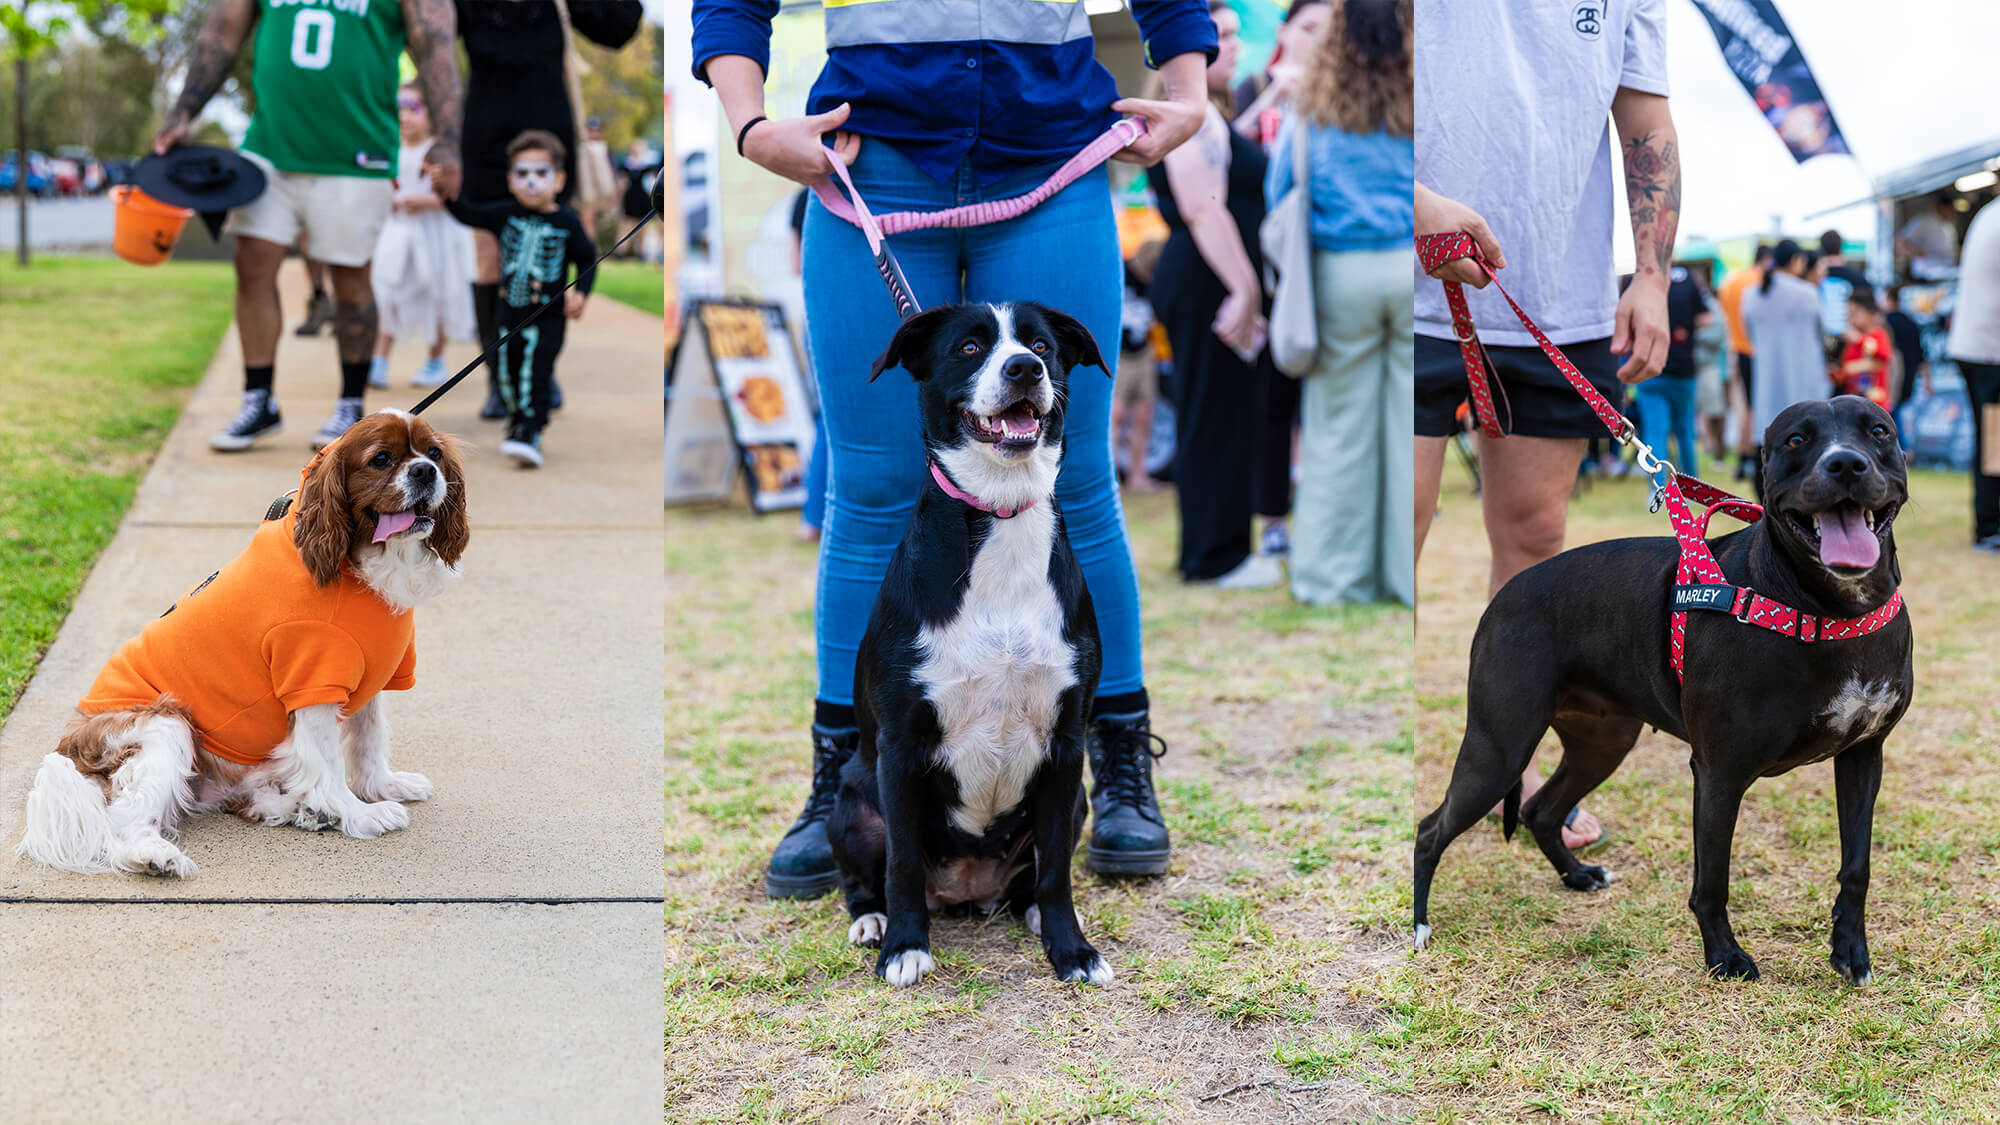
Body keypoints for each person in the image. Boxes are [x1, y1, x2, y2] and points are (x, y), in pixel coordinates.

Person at [692, 0, 1215, 898]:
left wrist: (1191, 91)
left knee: (1076, 481)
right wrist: (749, 124)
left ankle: (1120, 762)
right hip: (870, 161)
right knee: (871, 488)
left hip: (1050, 153)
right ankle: (844, 774)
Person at [1414, 0, 1679, 851]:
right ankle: (1367, 770)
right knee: (1392, 538)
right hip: (1405, 277)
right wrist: (1413, 203)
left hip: (1555, 297)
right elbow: (1345, 83)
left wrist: (1652, 276)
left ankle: (1512, 762)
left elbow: (1645, 121)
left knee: (1535, 541)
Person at [154, 0, 462, 454]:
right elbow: (221, 31)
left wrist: (451, 142)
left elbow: (435, 43)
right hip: (271, 144)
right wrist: (183, 111)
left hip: (357, 153)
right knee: (252, 264)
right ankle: (258, 400)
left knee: (351, 280)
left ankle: (349, 406)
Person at [1266, 0, 1412, 606]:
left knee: (1335, 431)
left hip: (1338, 276)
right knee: (1408, 431)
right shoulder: (1419, 106)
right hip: (1412, 269)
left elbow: (1281, 195)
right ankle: (1403, 578)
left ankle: (1332, 580)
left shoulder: (1311, 109)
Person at [456, 0, 645, 421]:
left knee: (550, 253)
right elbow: (421, 35)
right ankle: (499, 376)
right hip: (486, 144)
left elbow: (620, 26)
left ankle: (539, 366)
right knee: (492, 258)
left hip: (550, 142)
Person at [1151, 1, 1280, 588]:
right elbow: (1205, 211)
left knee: (1225, 413)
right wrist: (1246, 288)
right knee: (1211, 415)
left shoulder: (1211, 116)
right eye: (1217, 37)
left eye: (1233, 36)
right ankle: (1215, 557)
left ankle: (1221, 549)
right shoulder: (1190, 117)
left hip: (1214, 277)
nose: (1231, 47)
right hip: (1210, 278)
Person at [445, 130, 597, 469]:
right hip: (507, 314)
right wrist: (447, 195)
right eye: (522, 174)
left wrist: (582, 293)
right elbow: (469, 215)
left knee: (536, 372)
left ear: (559, 180)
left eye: (541, 174)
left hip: (547, 316)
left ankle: (531, 429)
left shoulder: (566, 222)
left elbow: (588, 257)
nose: (531, 182)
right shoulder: (505, 214)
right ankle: (517, 419)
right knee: (506, 374)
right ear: (510, 181)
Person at [369, 84, 477, 391]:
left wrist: (427, 202)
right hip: (397, 231)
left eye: (413, 109)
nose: (405, 116)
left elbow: (453, 193)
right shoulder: (390, 148)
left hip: (434, 233)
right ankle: (378, 360)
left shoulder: (438, 152)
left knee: (436, 293)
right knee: (386, 294)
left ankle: (435, 359)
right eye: (400, 108)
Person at [1739, 238, 1827, 488]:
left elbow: (1749, 335)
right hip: (1804, 378)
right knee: (1808, 438)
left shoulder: (1751, 294)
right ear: (1796, 261)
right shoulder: (1807, 293)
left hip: (1766, 378)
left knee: (1767, 440)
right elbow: (1823, 332)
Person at [1947, 200, 2000, 552]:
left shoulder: (1989, 212)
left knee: (1992, 440)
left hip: (1978, 347)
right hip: (1989, 350)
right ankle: (1990, 527)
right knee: (1994, 442)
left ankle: (1989, 525)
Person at [1631, 262, 1709, 479]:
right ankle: (1691, 485)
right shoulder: (1688, 279)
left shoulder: (1638, 278)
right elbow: (1706, 317)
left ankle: (1658, 488)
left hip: (1648, 368)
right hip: (1683, 368)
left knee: (1655, 431)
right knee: (1685, 430)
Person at [1231, 0, 1328, 143]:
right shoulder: (1256, 84)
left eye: (1327, 33)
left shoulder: (1334, 94)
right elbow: (1227, 146)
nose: (1318, 40)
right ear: (1282, 32)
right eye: (1309, 29)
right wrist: (1273, 95)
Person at [1718, 243, 1772, 479]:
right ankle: (1752, 458)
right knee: (1757, 407)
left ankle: (1743, 458)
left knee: (1744, 406)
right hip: (1758, 350)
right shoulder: (1762, 281)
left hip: (1737, 348)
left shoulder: (1732, 280)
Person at [1883, 284, 1929, 439]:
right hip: (1909, 376)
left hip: (1890, 377)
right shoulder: (1911, 323)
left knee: (1891, 414)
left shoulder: (1884, 322)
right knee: (1898, 412)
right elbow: (1921, 354)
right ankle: (1905, 446)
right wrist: (1928, 380)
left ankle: (1903, 447)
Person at [1835, 289, 1894, 409]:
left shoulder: (1878, 335)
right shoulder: (1850, 344)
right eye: (1848, 315)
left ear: (1871, 314)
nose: (1850, 319)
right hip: (1853, 404)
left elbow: (1884, 354)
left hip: (1875, 405)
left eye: (1854, 314)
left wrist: (1859, 340)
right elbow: (1848, 372)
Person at [616, 138, 662, 261]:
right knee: (625, 225)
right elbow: (621, 183)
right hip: (630, 198)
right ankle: (621, 251)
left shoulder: (649, 166)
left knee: (643, 226)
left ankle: (641, 252)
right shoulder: (625, 165)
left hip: (643, 198)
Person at [1896, 190, 1961, 276]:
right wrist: (1915, 252)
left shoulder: (1949, 227)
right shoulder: (1924, 221)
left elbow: (1953, 249)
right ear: (1941, 207)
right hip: (1925, 274)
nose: (1951, 213)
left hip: (1947, 271)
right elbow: (1899, 241)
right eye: (1949, 209)